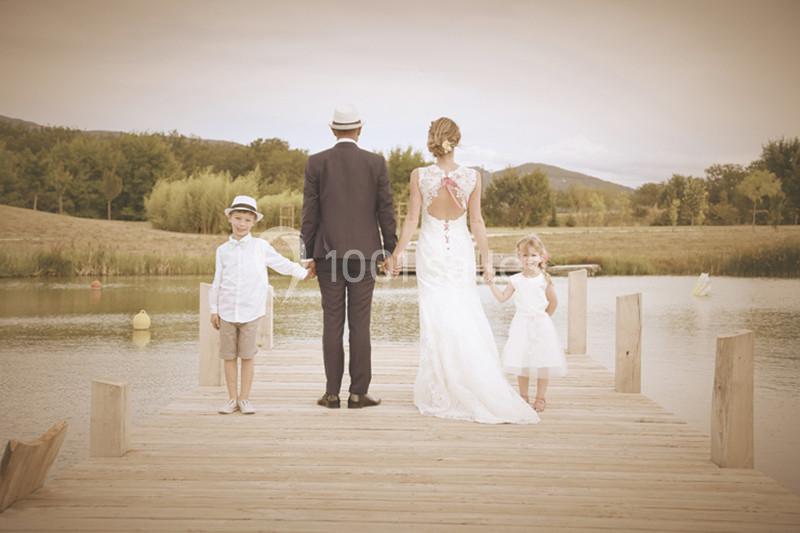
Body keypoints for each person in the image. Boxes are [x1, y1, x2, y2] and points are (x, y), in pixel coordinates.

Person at [390, 117, 538, 424]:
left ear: (432, 140)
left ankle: (442, 386)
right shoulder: (473, 177)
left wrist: (398, 252)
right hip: (460, 252)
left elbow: (411, 220)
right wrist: (486, 258)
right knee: (465, 311)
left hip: (431, 251)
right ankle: (471, 379)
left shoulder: (419, 175)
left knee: (436, 316)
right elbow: (477, 221)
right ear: (456, 141)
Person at [301, 105, 397, 409]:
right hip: (365, 255)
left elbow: (309, 213)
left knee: (332, 322)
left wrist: (308, 255)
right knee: (360, 324)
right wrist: (389, 250)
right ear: (360, 130)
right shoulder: (376, 163)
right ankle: (358, 393)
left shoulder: (316, 163)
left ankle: (331, 394)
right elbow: (386, 210)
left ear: (332, 130)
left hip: (327, 254)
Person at [209, 195, 311, 414]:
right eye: (238, 218)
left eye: (247, 220)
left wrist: (303, 273)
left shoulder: (260, 247)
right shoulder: (222, 251)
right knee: (228, 356)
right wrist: (213, 309)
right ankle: (231, 399)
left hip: (250, 310)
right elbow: (217, 281)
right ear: (230, 219)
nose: (241, 224)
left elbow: (282, 264)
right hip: (226, 311)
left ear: (253, 222)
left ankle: (244, 399)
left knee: (247, 356)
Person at [487, 234, 567, 412]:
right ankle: (523, 396)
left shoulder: (544, 279)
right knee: (521, 360)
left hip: (541, 324)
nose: (529, 259)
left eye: (533, 255)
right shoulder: (515, 280)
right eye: (525, 255)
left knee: (542, 361)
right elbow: (502, 298)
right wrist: (491, 284)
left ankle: (540, 397)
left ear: (540, 257)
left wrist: (543, 318)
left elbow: (553, 302)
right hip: (521, 324)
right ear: (519, 257)